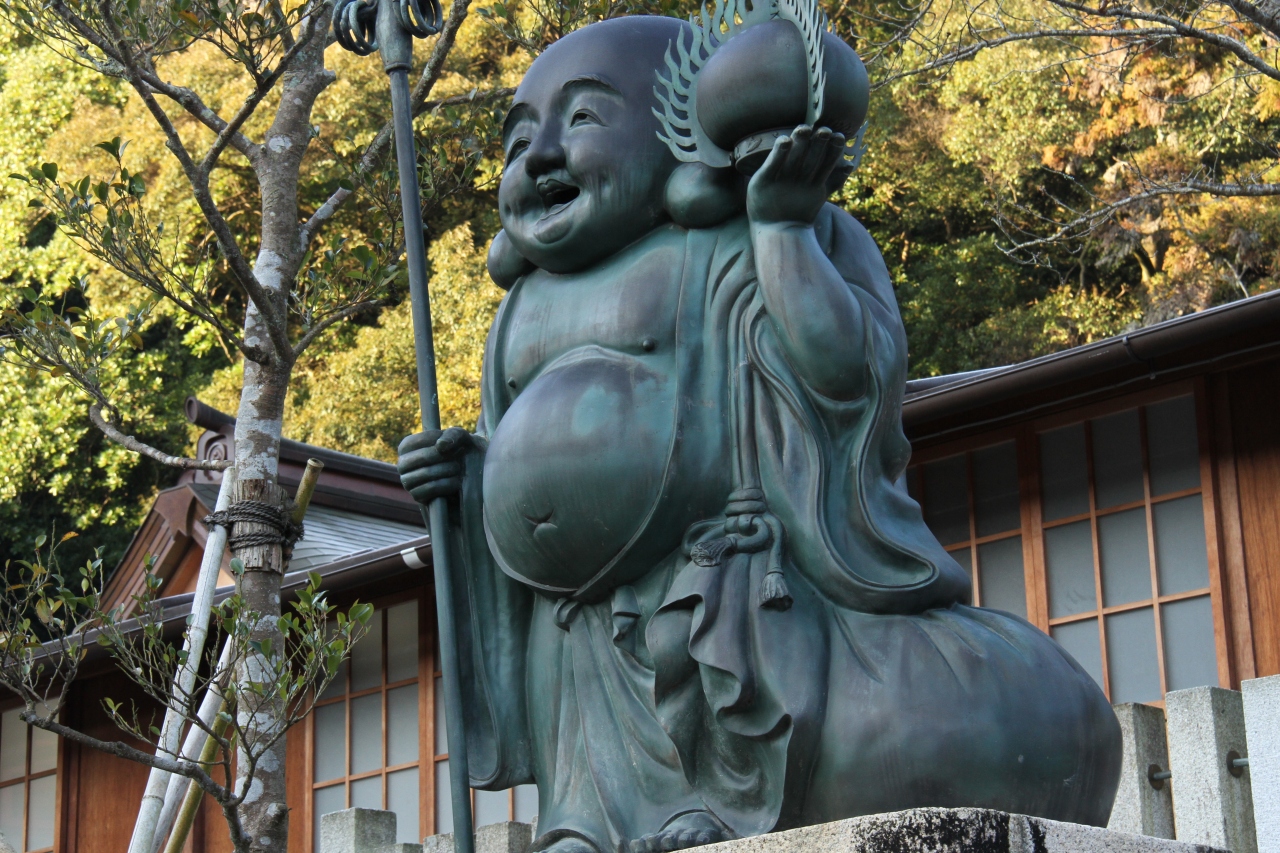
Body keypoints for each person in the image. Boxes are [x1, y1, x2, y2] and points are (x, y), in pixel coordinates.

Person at [397, 16, 1120, 853]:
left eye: (584, 118)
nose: (541, 155)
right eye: (519, 140)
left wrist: (781, 232)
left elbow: (845, 377)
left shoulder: (763, 233)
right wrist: (463, 481)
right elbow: (506, 456)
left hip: (724, 577)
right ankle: (588, 820)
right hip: (579, 630)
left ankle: (720, 796)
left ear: (683, 131)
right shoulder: (516, 315)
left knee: (944, 722)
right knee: (582, 659)